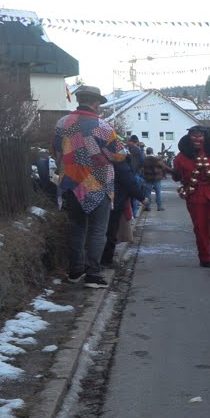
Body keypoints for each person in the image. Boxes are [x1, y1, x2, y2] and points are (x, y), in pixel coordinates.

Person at [52, 86, 125, 288]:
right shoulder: (102, 125)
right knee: (97, 230)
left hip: (71, 183)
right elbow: (118, 154)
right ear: (95, 103)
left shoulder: (61, 123)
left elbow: (55, 150)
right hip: (97, 183)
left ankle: (75, 271)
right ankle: (93, 274)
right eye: (99, 104)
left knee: (76, 228)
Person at [171, 126, 210, 268]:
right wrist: (175, 174)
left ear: (205, 138)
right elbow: (176, 176)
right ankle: (205, 257)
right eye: (194, 135)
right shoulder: (181, 156)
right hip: (194, 193)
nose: (196, 138)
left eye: (200, 135)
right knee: (200, 227)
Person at [99, 138, 147, 268]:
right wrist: (142, 197)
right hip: (115, 198)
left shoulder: (98, 156)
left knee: (99, 229)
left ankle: (97, 259)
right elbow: (128, 180)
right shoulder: (119, 160)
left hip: (99, 196)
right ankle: (106, 259)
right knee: (111, 229)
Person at [141, 146, 167, 211]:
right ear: (152, 151)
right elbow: (163, 167)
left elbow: (141, 168)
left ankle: (148, 206)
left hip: (148, 178)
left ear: (146, 152)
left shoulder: (144, 159)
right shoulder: (157, 158)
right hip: (157, 178)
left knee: (148, 193)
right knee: (158, 192)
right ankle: (159, 206)